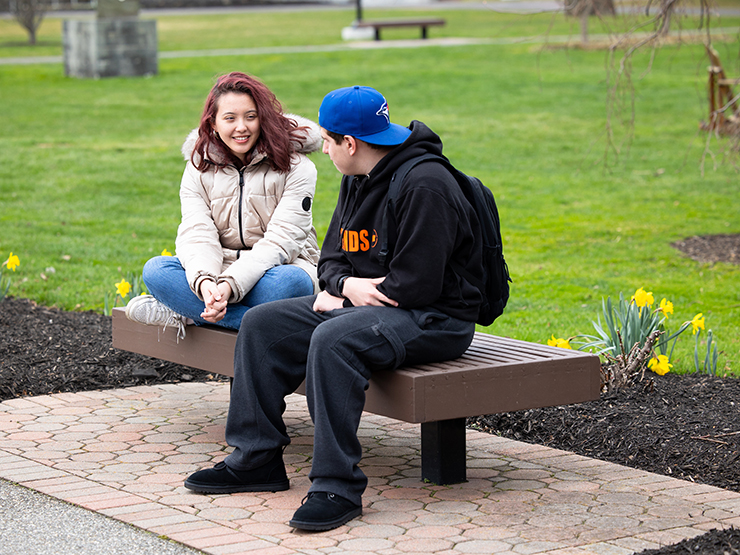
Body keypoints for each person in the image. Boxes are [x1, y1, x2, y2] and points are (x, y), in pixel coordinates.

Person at [183, 86, 485, 531]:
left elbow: (417, 285)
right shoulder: (356, 178)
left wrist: (342, 296)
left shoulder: (426, 186)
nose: (321, 147)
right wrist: (345, 286)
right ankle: (256, 459)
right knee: (264, 323)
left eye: (328, 140)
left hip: (437, 319)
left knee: (333, 338)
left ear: (351, 143)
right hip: (377, 306)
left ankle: (336, 488)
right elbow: (330, 261)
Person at [125, 72, 321, 335]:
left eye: (251, 117)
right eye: (230, 118)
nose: (242, 127)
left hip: (279, 268)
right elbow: (197, 232)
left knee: (292, 283)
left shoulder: (296, 167)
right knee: (157, 270)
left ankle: (188, 313)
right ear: (214, 124)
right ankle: (258, 323)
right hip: (218, 267)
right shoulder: (198, 166)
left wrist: (229, 286)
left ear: (263, 119)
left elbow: (282, 241)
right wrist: (205, 282)